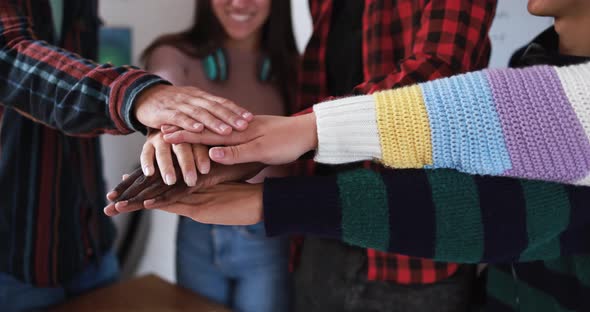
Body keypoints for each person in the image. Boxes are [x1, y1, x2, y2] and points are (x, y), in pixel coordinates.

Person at [122, 0, 590, 311]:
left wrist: (288, 141)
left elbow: (438, 80)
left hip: (409, 256)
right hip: (311, 237)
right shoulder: (531, 63)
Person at [0, 1, 252, 310]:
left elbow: (73, 95)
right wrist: (139, 96)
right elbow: (9, 58)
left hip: (90, 242)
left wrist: (161, 119)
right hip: (15, 258)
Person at [129, 1, 297, 311]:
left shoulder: (294, 67)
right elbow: (160, 103)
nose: (239, 3)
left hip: (268, 228)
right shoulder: (172, 54)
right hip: (198, 226)